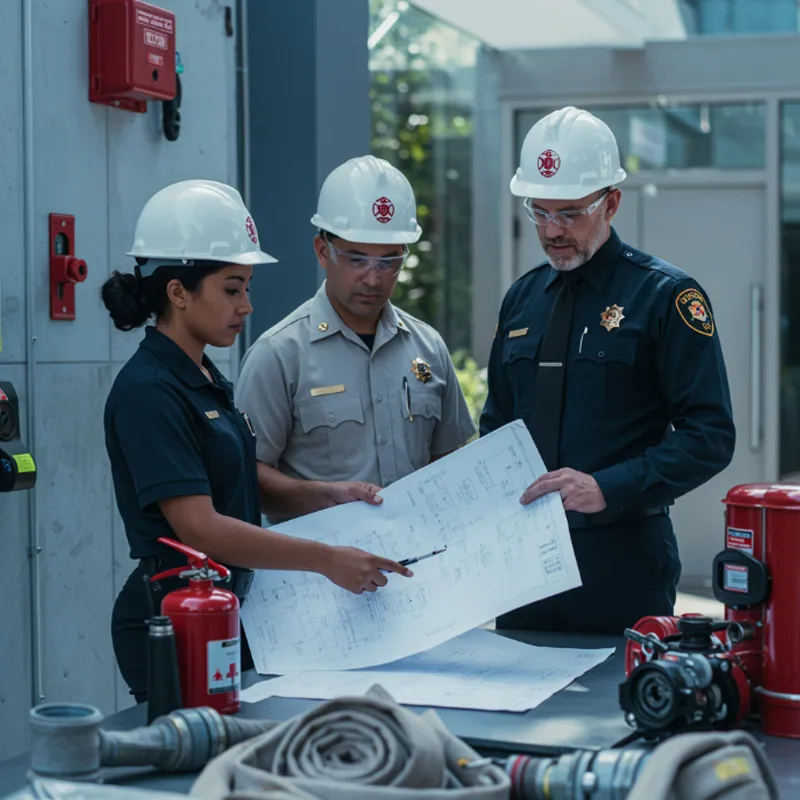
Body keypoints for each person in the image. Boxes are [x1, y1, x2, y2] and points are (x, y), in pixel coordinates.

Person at [102, 179, 412, 703]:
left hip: (227, 606)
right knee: (194, 764)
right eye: (231, 288)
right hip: (176, 611)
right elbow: (200, 527)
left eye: (246, 287)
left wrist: (328, 494)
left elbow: (244, 492)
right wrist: (324, 558)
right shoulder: (148, 392)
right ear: (178, 292)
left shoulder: (202, 379)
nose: (246, 305)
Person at [480, 107, 736, 634]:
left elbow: (710, 436)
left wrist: (608, 486)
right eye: (539, 212)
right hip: (523, 567)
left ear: (611, 202)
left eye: (570, 213)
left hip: (621, 565)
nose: (552, 231)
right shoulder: (522, 300)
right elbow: (498, 423)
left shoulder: (666, 297)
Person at [234, 155, 476, 523]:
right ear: (322, 251)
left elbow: (448, 460)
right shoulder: (279, 354)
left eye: (389, 261)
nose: (373, 278)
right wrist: (324, 497)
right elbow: (246, 473)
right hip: (319, 570)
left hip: (422, 566)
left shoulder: (428, 348)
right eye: (357, 259)